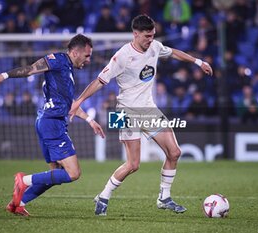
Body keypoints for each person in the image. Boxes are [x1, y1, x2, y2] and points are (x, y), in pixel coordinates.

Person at [69, 15, 213, 216]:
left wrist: (198, 61)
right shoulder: (121, 56)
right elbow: (99, 81)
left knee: (174, 152)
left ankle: (164, 198)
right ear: (135, 34)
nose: (150, 40)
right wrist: (78, 101)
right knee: (133, 164)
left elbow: (173, 53)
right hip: (125, 112)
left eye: (153, 35)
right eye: (146, 36)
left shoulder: (154, 46)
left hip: (148, 109)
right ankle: (103, 196)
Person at [0, 34, 105, 216]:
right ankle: (23, 181)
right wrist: (4, 75)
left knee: (55, 174)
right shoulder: (57, 60)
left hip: (47, 121)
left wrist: (89, 120)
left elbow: (68, 103)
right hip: (52, 124)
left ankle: (18, 203)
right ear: (74, 52)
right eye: (87, 55)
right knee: (73, 173)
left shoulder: (67, 72)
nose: (89, 60)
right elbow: (32, 69)